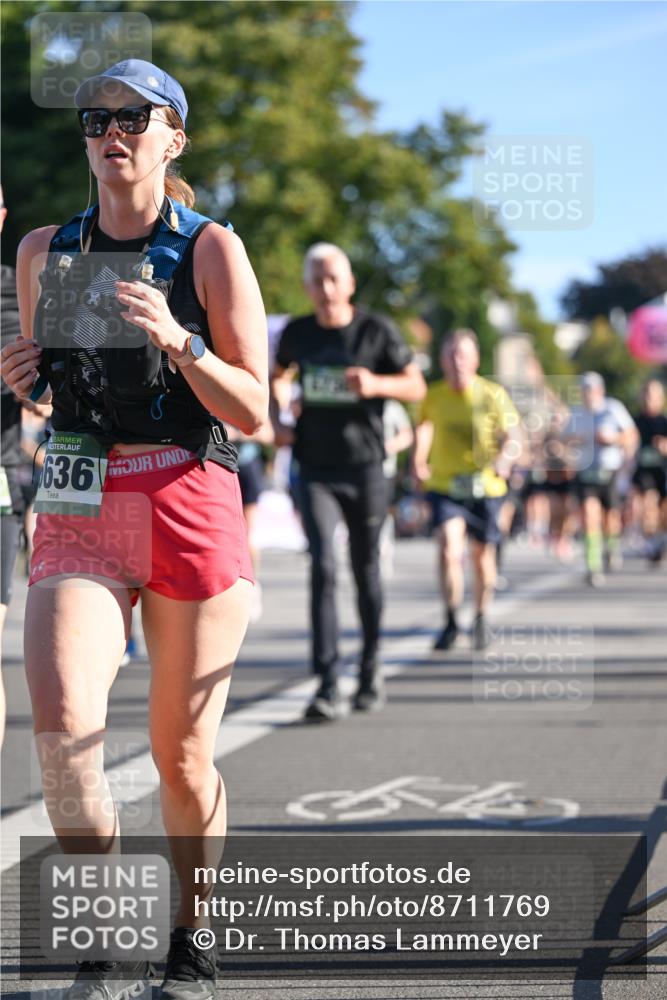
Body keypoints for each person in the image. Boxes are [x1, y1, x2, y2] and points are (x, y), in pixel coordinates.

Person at [0, 60, 267, 1000]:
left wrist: (180, 340)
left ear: (173, 137)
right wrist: (23, 375)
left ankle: (192, 930)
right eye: (95, 118)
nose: (111, 131)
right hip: (80, 505)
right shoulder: (45, 252)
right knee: (66, 728)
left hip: (189, 499)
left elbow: (254, 410)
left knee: (182, 758)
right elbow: (51, 399)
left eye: (133, 117)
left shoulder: (208, 252)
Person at [270, 243, 425, 719]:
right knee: (323, 566)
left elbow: (415, 385)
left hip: (365, 468)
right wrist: (278, 418)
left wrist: (376, 385)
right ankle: (326, 682)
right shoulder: (298, 332)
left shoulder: (375, 330)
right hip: (315, 467)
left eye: (334, 278)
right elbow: (275, 376)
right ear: (307, 287)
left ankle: (371, 668)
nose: (326, 288)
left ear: (350, 283)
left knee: (365, 572)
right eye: (317, 280)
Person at [413, 329, 520, 651]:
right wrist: (418, 461)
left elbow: (514, 437)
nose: (457, 361)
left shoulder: (493, 394)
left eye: (463, 354)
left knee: (482, 556)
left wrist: (505, 458)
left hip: (485, 487)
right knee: (448, 548)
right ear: (442, 360)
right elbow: (424, 428)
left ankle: (481, 616)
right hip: (445, 485)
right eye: (450, 354)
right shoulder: (434, 395)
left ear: (475, 359)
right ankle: (450, 620)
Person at [567, 372, 638, 586]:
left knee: (610, 520)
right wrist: (573, 441)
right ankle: (593, 565)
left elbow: (632, 435)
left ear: (600, 391)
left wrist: (613, 438)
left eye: (591, 390)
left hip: (609, 471)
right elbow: (562, 439)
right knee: (589, 515)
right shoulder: (576, 414)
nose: (587, 394)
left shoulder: (613, 408)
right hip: (585, 472)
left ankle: (611, 547)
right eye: (584, 390)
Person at [630, 378, 667, 563]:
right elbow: (626, 441)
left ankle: (659, 540)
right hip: (644, 472)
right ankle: (651, 541)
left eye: (653, 396)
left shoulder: (664, 421)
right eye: (646, 395)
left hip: (663, 472)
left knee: (663, 512)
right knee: (648, 505)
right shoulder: (634, 422)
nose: (649, 399)